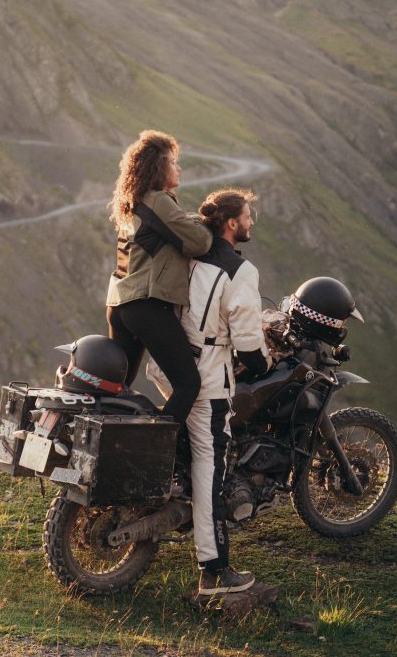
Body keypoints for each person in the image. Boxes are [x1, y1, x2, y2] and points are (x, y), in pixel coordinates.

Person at [164, 187, 272, 596]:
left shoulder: (191, 255)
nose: (250, 223)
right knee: (211, 467)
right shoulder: (240, 272)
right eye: (247, 216)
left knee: (194, 453)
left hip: (171, 363)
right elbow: (246, 340)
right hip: (208, 375)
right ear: (231, 223)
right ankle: (213, 571)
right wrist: (264, 363)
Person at [105, 130, 213, 430]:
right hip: (147, 305)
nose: (178, 168)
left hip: (121, 304)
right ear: (158, 166)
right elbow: (199, 242)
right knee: (188, 384)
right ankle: (160, 452)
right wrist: (201, 220)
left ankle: (112, 447)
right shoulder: (159, 201)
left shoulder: (133, 203)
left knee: (116, 389)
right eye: (173, 162)